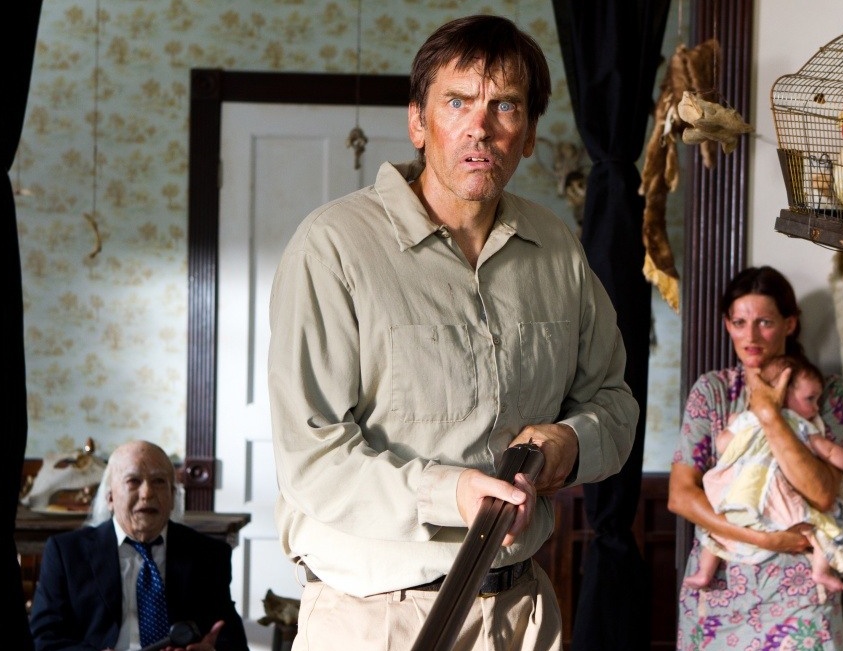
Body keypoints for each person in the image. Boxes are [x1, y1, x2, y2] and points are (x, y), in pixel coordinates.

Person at [266, 14, 639, 651]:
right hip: (376, 621)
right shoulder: (331, 248)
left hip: (523, 613)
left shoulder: (557, 249)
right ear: (418, 122)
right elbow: (312, 457)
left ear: (528, 134)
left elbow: (615, 403)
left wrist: (570, 444)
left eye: (505, 106)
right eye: (458, 102)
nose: (480, 127)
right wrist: (451, 493)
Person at [669, 266, 843, 650]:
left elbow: (823, 495)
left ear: (790, 324)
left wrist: (770, 415)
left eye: (765, 322)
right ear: (727, 324)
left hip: (801, 590)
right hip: (721, 586)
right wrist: (763, 538)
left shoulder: (823, 395)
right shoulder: (712, 392)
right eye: (739, 322)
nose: (751, 336)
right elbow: (681, 496)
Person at [29, 440, 250, 651]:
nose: (147, 493)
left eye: (159, 481)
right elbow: (43, 638)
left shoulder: (208, 554)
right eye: (133, 481)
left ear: (172, 497)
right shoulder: (67, 553)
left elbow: (233, 641)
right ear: (110, 497)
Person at [682, 354, 843, 594]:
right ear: (784, 391)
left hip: (741, 496)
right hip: (776, 499)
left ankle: (704, 573)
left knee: (714, 533)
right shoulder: (801, 425)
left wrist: (734, 427)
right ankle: (820, 571)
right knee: (822, 528)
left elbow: (722, 445)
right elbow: (831, 452)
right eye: (810, 399)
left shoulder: (748, 418)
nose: (816, 407)